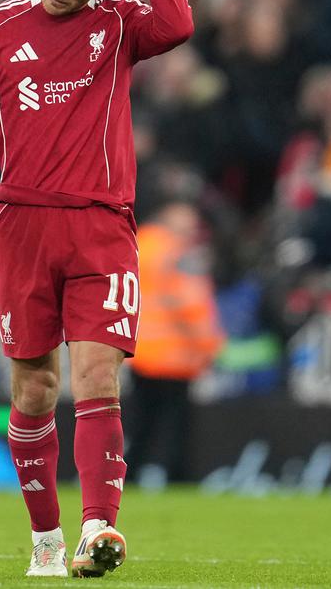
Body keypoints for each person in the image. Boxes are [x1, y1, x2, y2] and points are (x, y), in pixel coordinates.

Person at [0, 0, 192, 578]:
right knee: (34, 390)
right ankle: (45, 540)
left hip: (102, 225)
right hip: (21, 226)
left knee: (96, 374)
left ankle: (98, 528)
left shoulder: (120, 24)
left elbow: (179, 21)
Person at [123, 201, 224, 484]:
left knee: (142, 422)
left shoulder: (138, 243)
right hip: (176, 353)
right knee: (176, 424)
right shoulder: (179, 253)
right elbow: (186, 303)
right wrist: (207, 345)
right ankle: (178, 476)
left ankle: (127, 477)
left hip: (142, 350)